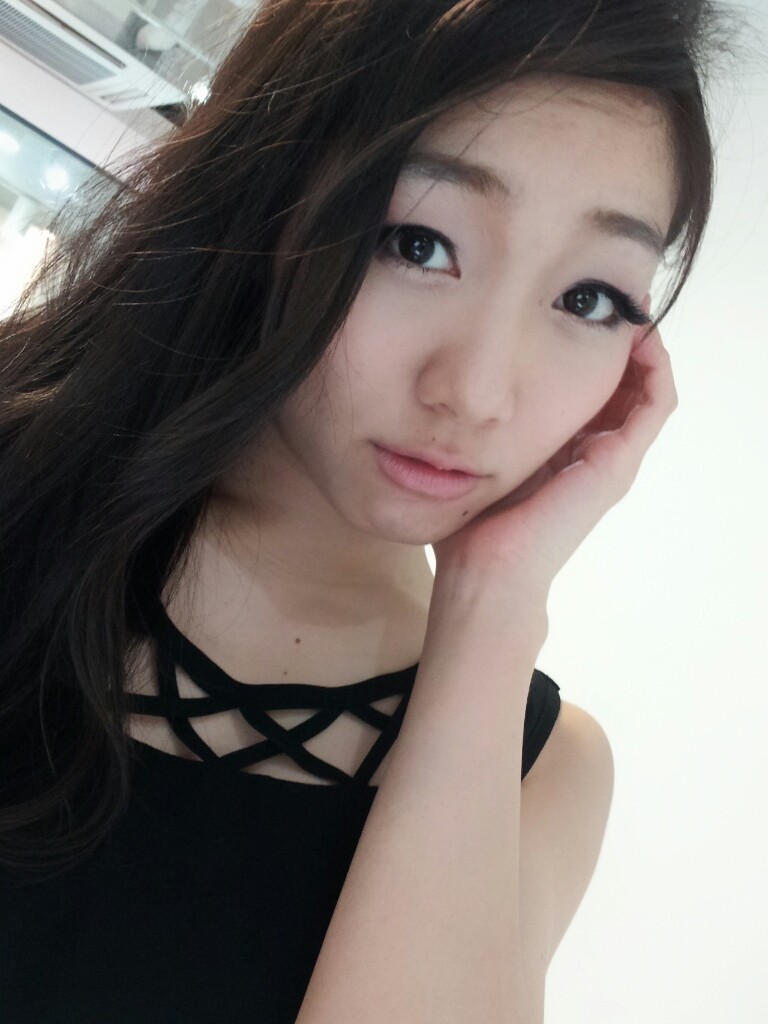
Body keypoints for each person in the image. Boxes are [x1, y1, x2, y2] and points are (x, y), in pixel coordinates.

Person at [0, 1, 754, 1022]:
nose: (477, 393)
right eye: (417, 242)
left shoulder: (542, 773)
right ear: (263, 198)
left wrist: (494, 603)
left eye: (588, 300)